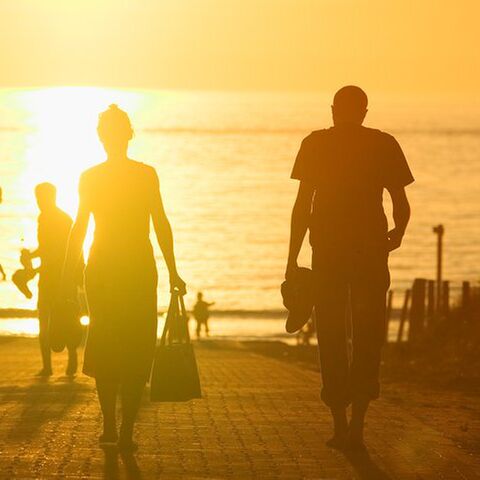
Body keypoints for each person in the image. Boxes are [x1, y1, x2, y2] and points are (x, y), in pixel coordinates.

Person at [286, 86, 413, 451]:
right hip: (370, 253)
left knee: (331, 335)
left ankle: (340, 425)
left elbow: (301, 207)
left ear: (332, 110)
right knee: (368, 334)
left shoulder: (315, 144)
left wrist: (292, 258)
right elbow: (400, 202)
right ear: (365, 111)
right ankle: (357, 425)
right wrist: (398, 233)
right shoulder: (383, 143)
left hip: (327, 252)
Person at [58, 104, 185, 452]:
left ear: (103, 136)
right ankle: (124, 426)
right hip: (136, 267)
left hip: (104, 267)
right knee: (135, 347)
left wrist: (68, 276)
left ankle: (112, 426)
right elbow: (160, 223)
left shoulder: (91, 176)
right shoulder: (145, 174)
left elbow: (79, 229)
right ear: (128, 133)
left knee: (106, 344)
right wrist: (173, 269)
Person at [29, 182, 80, 377]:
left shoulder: (63, 220)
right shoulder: (43, 218)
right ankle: (47, 366)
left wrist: (36, 267)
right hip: (48, 277)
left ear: (52, 197)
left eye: (42, 198)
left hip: (62, 278)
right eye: (38, 199)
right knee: (44, 320)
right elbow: (46, 249)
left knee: (66, 320)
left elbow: (60, 252)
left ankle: (72, 357)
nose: (40, 203)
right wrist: (32, 256)